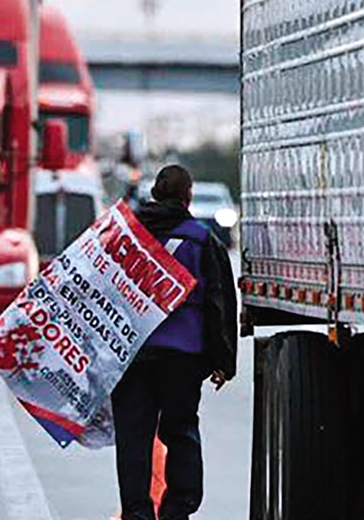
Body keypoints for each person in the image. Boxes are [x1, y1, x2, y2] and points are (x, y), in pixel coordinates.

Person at [112, 165, 238, 520]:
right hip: (182, 357)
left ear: (154, 193)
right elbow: (218, 304)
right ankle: (177, 509)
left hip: (131, 355)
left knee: (133, 436)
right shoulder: (201, 240)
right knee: (180, 431)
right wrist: (222, 362)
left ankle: (137, 512)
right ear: (188, 196)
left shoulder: (125, 237)